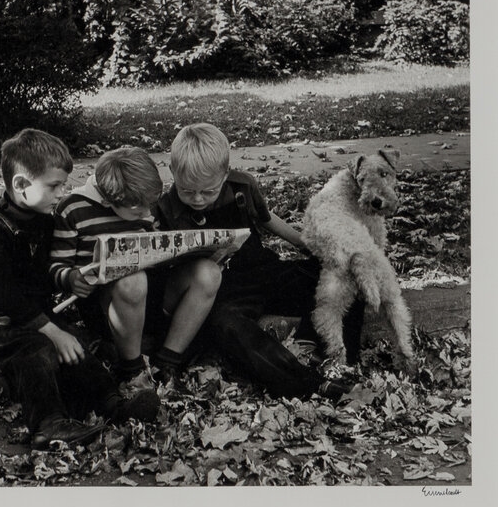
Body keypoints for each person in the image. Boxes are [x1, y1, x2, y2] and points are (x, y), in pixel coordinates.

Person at [0, 129, 160, 451]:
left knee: (78, 349)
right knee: (38, 350)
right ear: (21, 185)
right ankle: (47, 423)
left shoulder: (41, 220)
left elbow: (43, 275)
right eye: (54, 186)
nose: (61, 193)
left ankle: (112, 404)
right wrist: (54, 332)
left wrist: (70, 279)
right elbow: (4, 295)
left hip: (36, 313)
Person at [156, 123, 364, 403]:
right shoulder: (164, 209)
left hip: (263, 270)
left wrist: (307, 245)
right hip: (223, 292)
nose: (197, 199)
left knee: (349, 272)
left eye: (207, 192)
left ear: (225, 174)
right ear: (172, 172)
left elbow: (266, 220)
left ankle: (339, 357)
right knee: (227, 327)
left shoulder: (242, 186)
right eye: (187, 191)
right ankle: (306, 383)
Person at [50, 146, 222, 390]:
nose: (147, 212)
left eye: (149, 206)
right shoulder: (73, 209)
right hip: (109, 305)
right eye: (138, 210)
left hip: (151, 297)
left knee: (208, 272)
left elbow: (155, 244)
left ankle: (168, 361)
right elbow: (57, 265)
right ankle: (132, 370)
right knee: (133, 280)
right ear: (109, 201)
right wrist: (70, 278)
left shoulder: (144, 204)